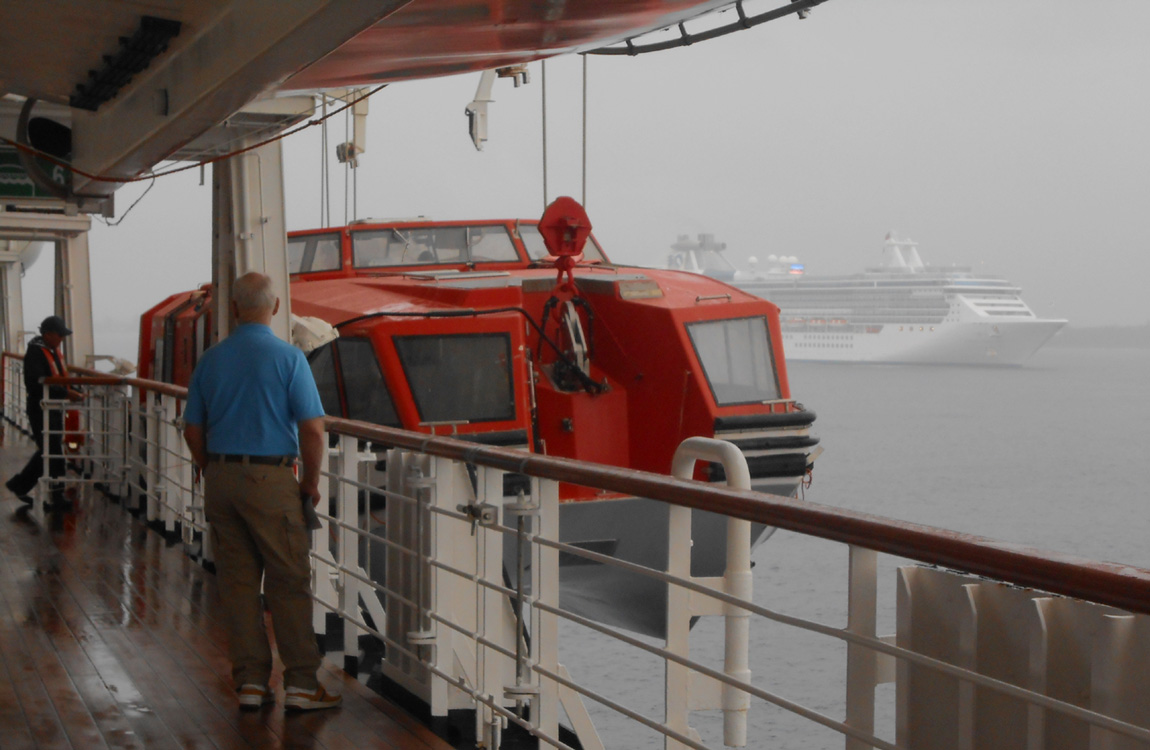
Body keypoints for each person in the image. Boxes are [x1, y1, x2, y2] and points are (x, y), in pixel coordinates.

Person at [182, 272, 340, 712]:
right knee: (288, 583)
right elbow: (312, 429)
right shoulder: (289, 359)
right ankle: (303, 685)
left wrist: (210, 468)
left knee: (238, 584)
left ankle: (251, 682)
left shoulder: (211, 360)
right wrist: (309, 481)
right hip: (271, 480)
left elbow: (191, 428)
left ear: (232, 309)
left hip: (222, 478)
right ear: (273, 309)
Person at [6, 315, 83, 504]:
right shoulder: (36, 353)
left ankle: (21, 485)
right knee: (52, 451)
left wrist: (73, 390)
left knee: (49, 450)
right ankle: (55, 495)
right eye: (59, 335)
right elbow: (36, 383)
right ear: (48, 334)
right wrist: (66, 393)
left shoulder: (51, 350)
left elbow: (58, 377)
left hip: (53, 408)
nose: (62, 339)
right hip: (40, 408)